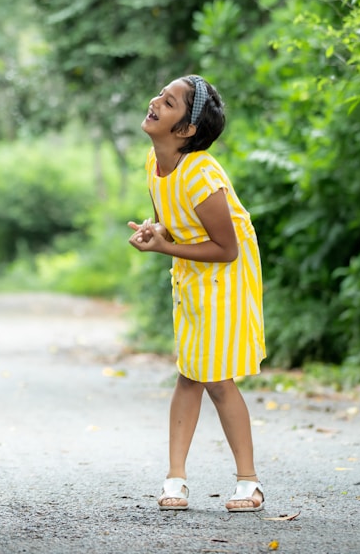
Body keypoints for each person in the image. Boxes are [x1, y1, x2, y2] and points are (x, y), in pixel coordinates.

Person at [126, 75, 266, 512]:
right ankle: (176, 478)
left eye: (168, 103)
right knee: (189, 373)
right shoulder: (155, 163)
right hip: (191, 276)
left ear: (186, 130)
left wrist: (165, 246)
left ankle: (249, 482)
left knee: (216, 379)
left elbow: (227, 248)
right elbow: (171, 216)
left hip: (225, 280)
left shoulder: (202, 174)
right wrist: (157, 230)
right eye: (160, 96)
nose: (155, 103)